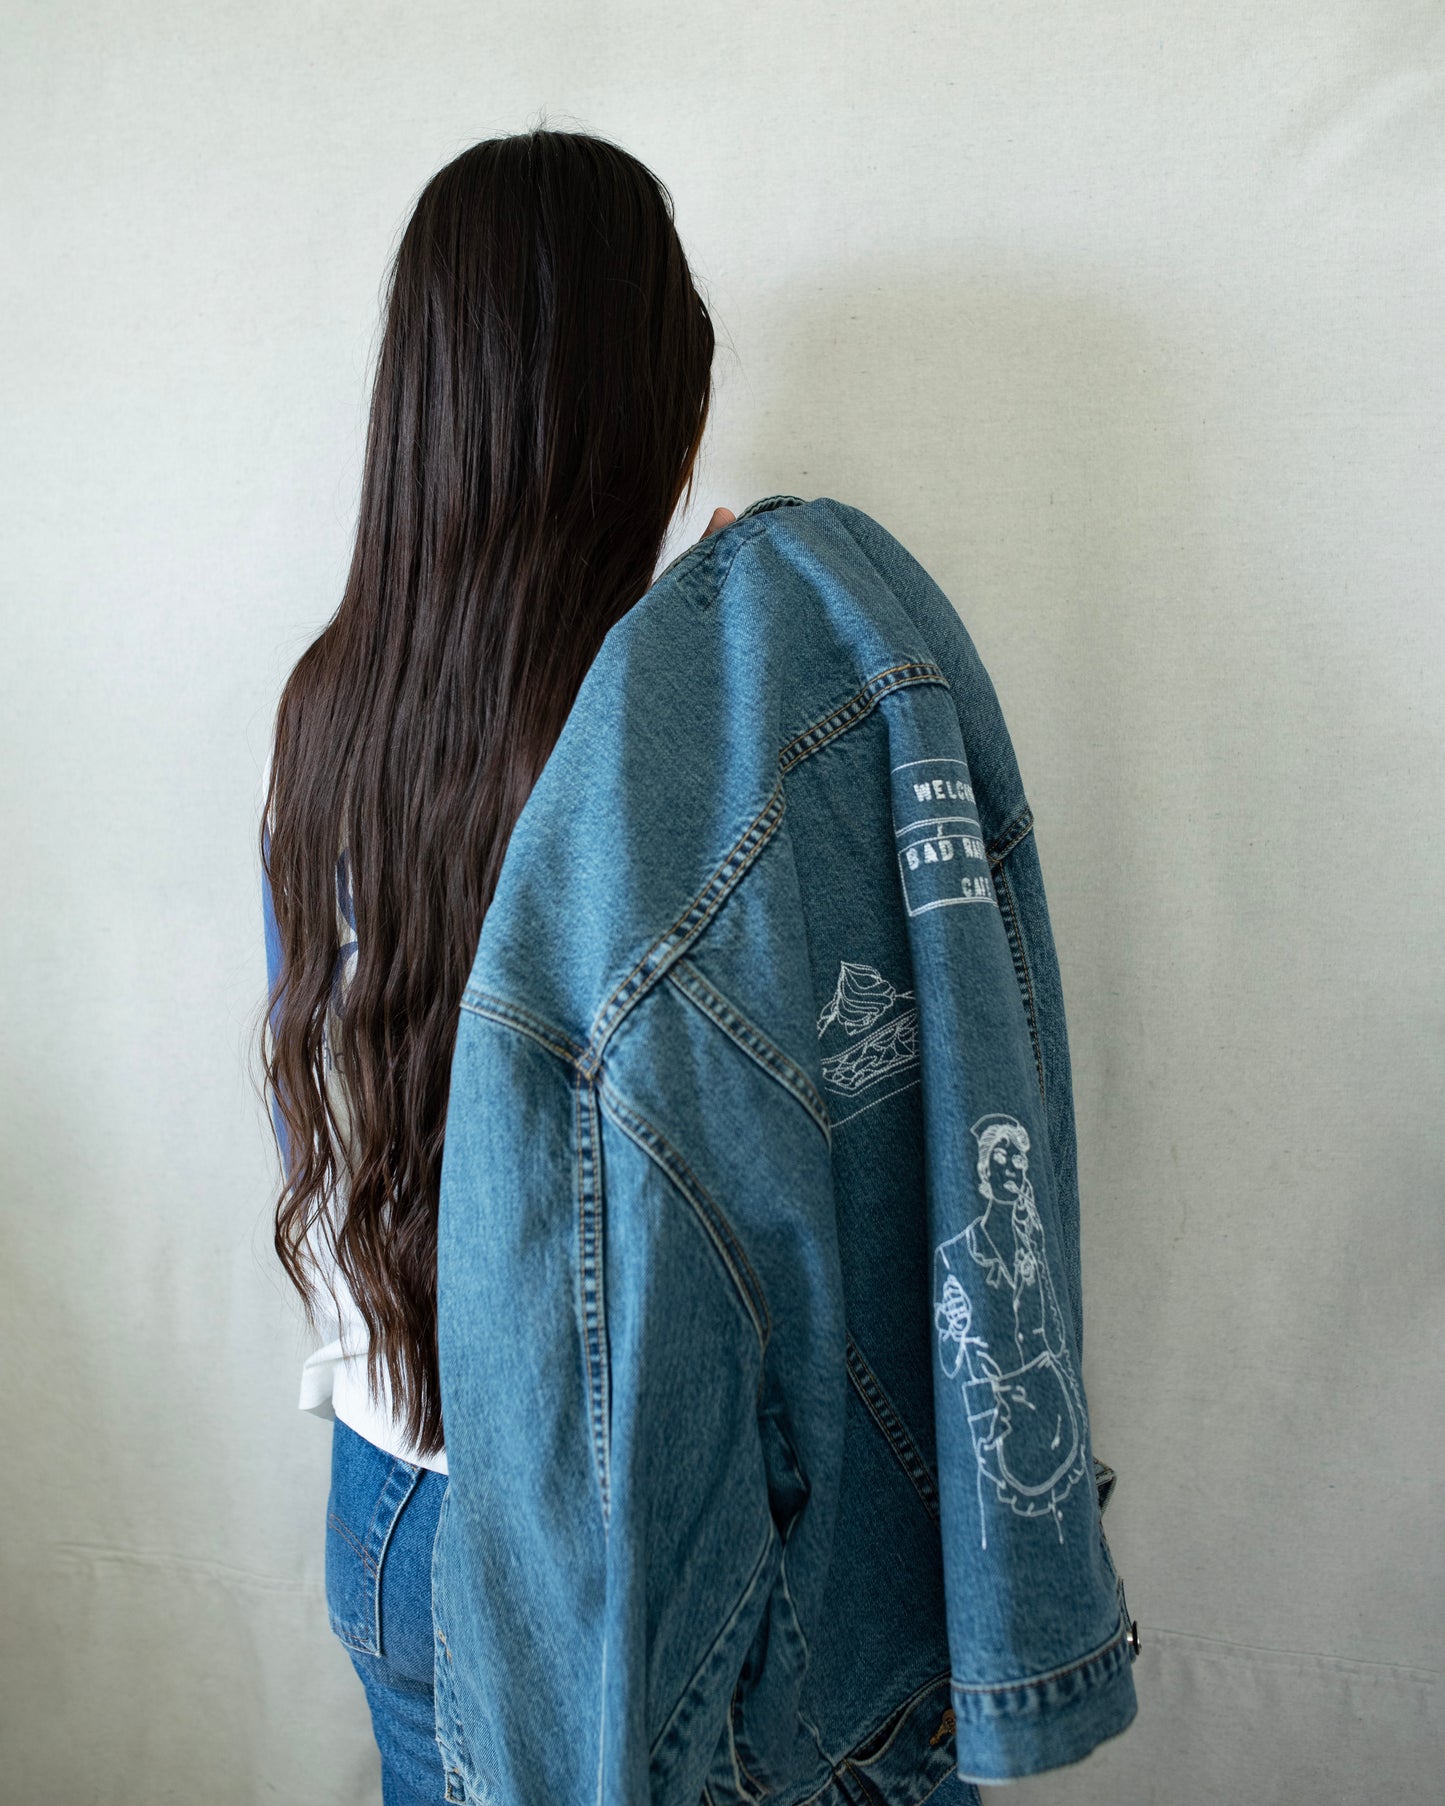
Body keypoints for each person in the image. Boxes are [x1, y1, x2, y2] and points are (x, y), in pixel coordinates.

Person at [260, 127, 733, 1805]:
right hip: (588, 1534)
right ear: (631, 422)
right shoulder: (663, 735)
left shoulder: (326, 713)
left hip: (389, 1496)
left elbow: (335, 1113)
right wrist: (730, 665)